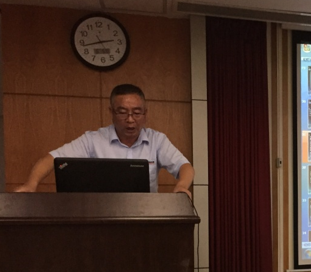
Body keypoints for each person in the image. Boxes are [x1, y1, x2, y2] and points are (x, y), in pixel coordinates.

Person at [14, 83, 195, 197]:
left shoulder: (157, 140)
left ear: (145, 114)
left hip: (145, 215)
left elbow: (184, 166)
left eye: (137, 113)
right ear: (111, 112)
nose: (130, 120)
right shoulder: (93, 140)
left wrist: (181, 186)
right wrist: (31, 184)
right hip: (103, 216)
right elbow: (51, 159)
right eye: (122, 112)